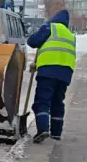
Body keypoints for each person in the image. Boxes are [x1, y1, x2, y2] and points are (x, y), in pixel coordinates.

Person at [26, 9, 76, 143]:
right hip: (65, 74)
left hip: (48, 72)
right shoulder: (70, 35)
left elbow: (32, 42)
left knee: (42, 101)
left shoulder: (50, 27)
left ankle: (43, 129)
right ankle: (56, 133)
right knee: (57, 102)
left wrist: (38, 31)